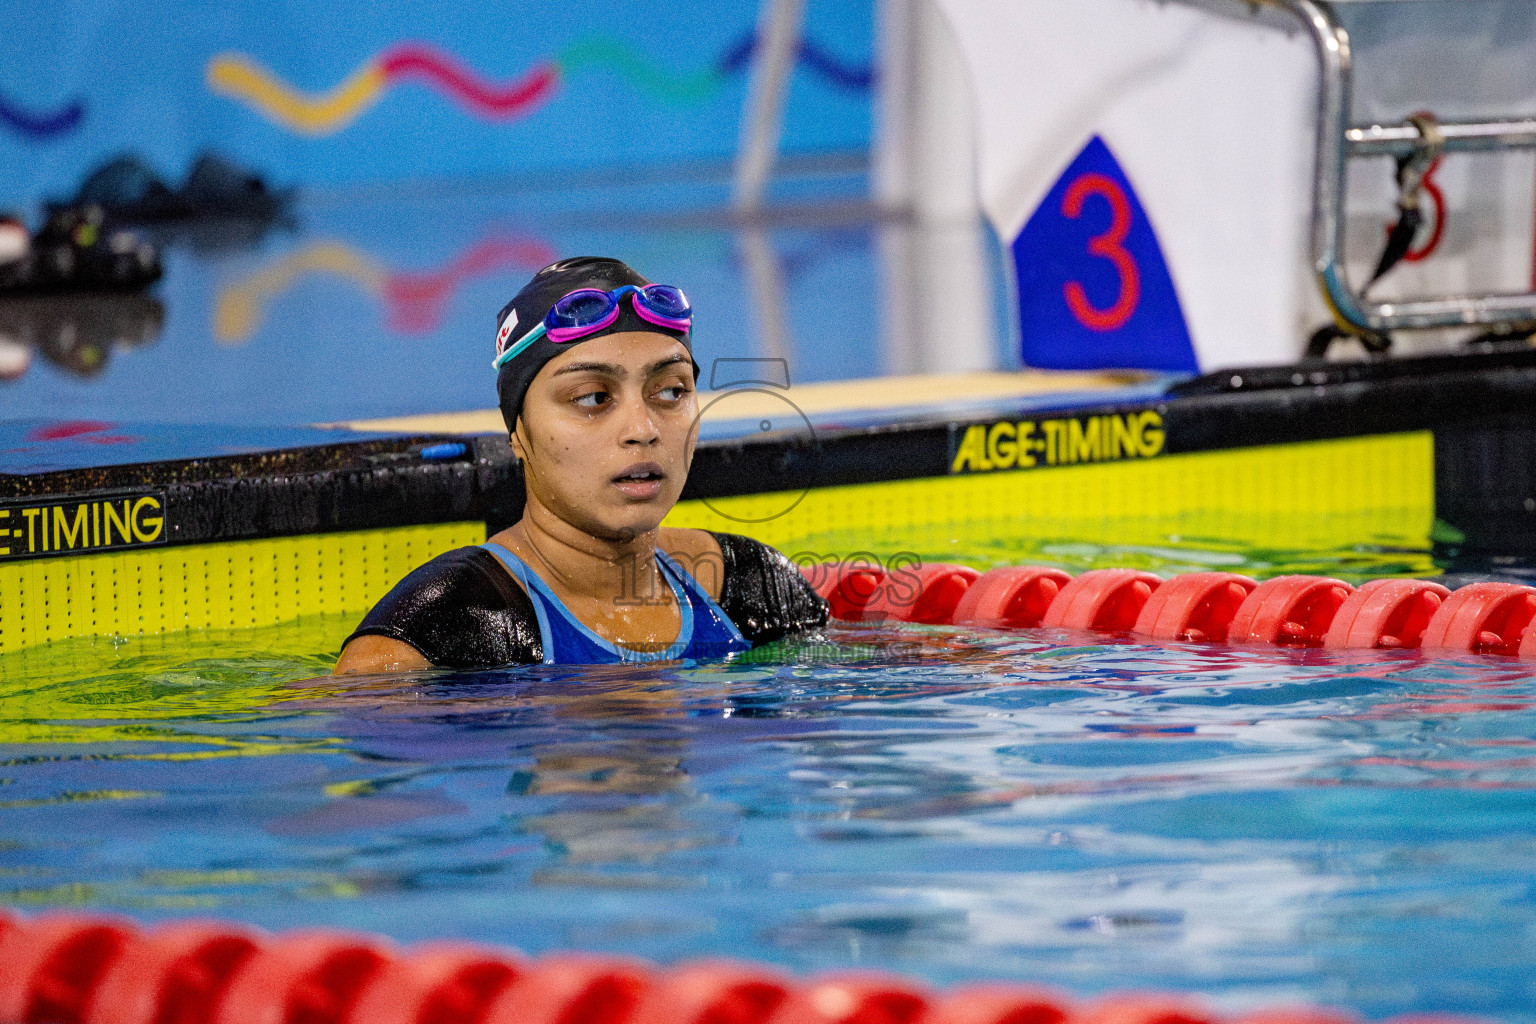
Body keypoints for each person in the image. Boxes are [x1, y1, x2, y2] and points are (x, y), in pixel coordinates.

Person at [334, 257, 827, 673]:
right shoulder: (434, 638)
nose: (643, 428)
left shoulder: (749, 586)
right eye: (592, 397)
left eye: (671, 391)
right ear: (519, 434)